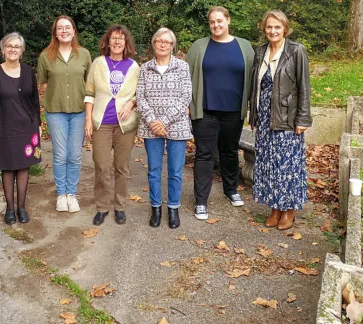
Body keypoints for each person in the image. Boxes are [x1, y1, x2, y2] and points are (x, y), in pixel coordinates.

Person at [186, 6, 255, 220]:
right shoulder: (199, 47)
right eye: (212, 22)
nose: (216, 25)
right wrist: (188, 104)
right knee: (204, 154)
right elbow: (186, 78)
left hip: (234, 110)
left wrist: (254, 108)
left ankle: (231, 189)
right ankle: (201, 201)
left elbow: (254, 80)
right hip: (205, 110)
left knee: (229, 151)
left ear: (228, 21)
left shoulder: (244, 47)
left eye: (219, 21)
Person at [249, 10, 311, 230]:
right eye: (269, 27)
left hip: (287, 117)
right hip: (265, 117)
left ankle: (289, 210)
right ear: (264, 29)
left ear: (285, 28)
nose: (273, 31)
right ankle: (275, 208)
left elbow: (304, 87)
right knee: (268, 164)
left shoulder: (296, 51)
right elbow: (254, 87)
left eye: (277, 27)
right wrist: (253, 115)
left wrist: (302, 119)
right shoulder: (260, 52)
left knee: (287, 165)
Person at [137, 28, 192, 229]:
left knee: (176, 171)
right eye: (159, 41)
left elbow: (186, 96)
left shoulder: (182, 67)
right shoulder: (144, 68)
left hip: (176, 126)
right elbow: (140, 97)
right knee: (154, 170)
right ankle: (156, 208)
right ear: (153, 44)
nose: (162, 44)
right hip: (151, 128)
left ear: (172, 46)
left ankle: (173, 209)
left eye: (167, 42)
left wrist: (164, 121)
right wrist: (153, 121)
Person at [84, 24, 139, 225]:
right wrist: (88, 120)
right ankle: (102, 207)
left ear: (126, 43)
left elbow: (139, 93)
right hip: (102, 123)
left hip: (125, 125)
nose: (117, 42)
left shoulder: (134, 67)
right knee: (102, 165)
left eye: (121, 39)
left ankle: (120, 206)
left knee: (122, 166)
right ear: (107, 42)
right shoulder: (98, 63)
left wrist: (132, 102)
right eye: (113, 38)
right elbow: (89, 93)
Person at [0, 32, 41, 224]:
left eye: (17, 46)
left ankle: (22, 207)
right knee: (7, 167)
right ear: (3, 50)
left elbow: (35, 100)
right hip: (3, 127)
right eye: (9, 46)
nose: (13, 49)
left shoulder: (28, 71)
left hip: (26, 126)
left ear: (22, 51)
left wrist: (39, 124)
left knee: (23, 166)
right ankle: (9, 209)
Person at [37, 15, 92, 213]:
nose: (64, 31)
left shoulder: (84, 55)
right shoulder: (45, 56)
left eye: (68, 27)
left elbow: (89, 84)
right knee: (60, 155)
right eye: (60, 28)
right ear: (55, 33)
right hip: (56, 112)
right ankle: (61, 194)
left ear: (74, 31)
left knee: (75, 156)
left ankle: (72, 194)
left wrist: (89, 113)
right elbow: (42, 83)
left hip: (78, 111)